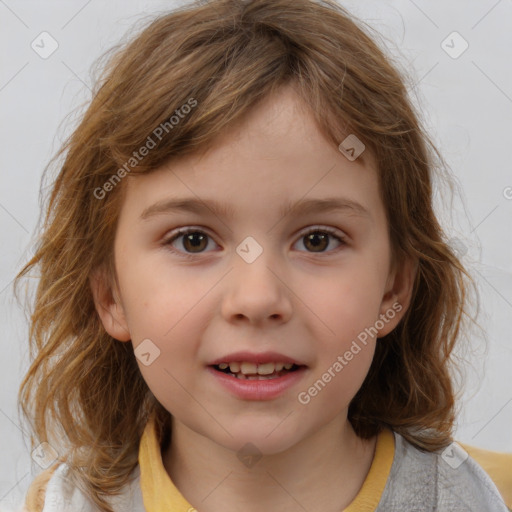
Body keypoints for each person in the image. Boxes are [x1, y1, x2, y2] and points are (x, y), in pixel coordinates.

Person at [14, 0, 512, 511]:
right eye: (193, 240)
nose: (257, 299)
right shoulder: (59, 504)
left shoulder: (488, 496)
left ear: (394, 287)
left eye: (318, 240)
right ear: (110, 294)